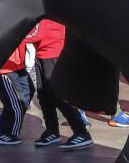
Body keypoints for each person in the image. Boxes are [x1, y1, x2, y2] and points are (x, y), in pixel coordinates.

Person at [24, 20, 92, 150]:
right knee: (43, 94)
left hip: (53, 55)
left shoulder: (50, 14)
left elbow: (38, 33)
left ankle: (81, 132)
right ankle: (52, 131)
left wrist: (14, 36)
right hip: (42, 54)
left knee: (58, 95)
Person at [0, 39, 36, 146]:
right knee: (15, 103)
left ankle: (5, 118)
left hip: (18, 64)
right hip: (5, 68)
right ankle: (4, 133)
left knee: (29, 91)